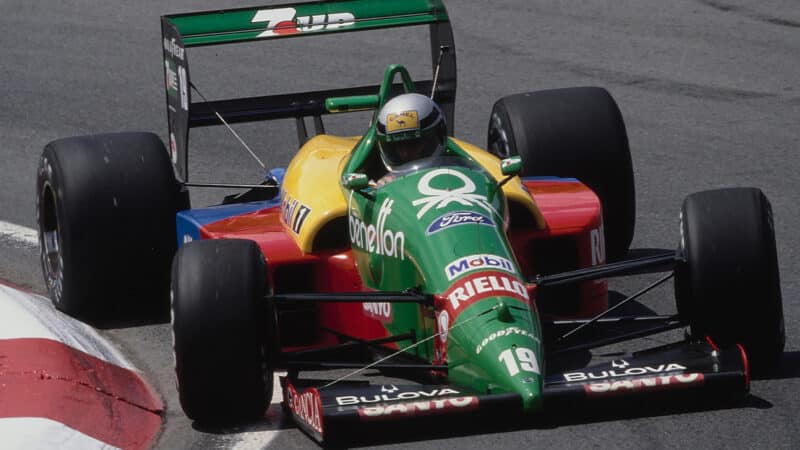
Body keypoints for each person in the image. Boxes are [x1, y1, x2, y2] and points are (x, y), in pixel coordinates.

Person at [373, 93, 447, 183]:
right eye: (398, 146)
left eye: (413, 144)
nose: (404, 153)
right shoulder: (382, 184)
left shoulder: (458, 167)